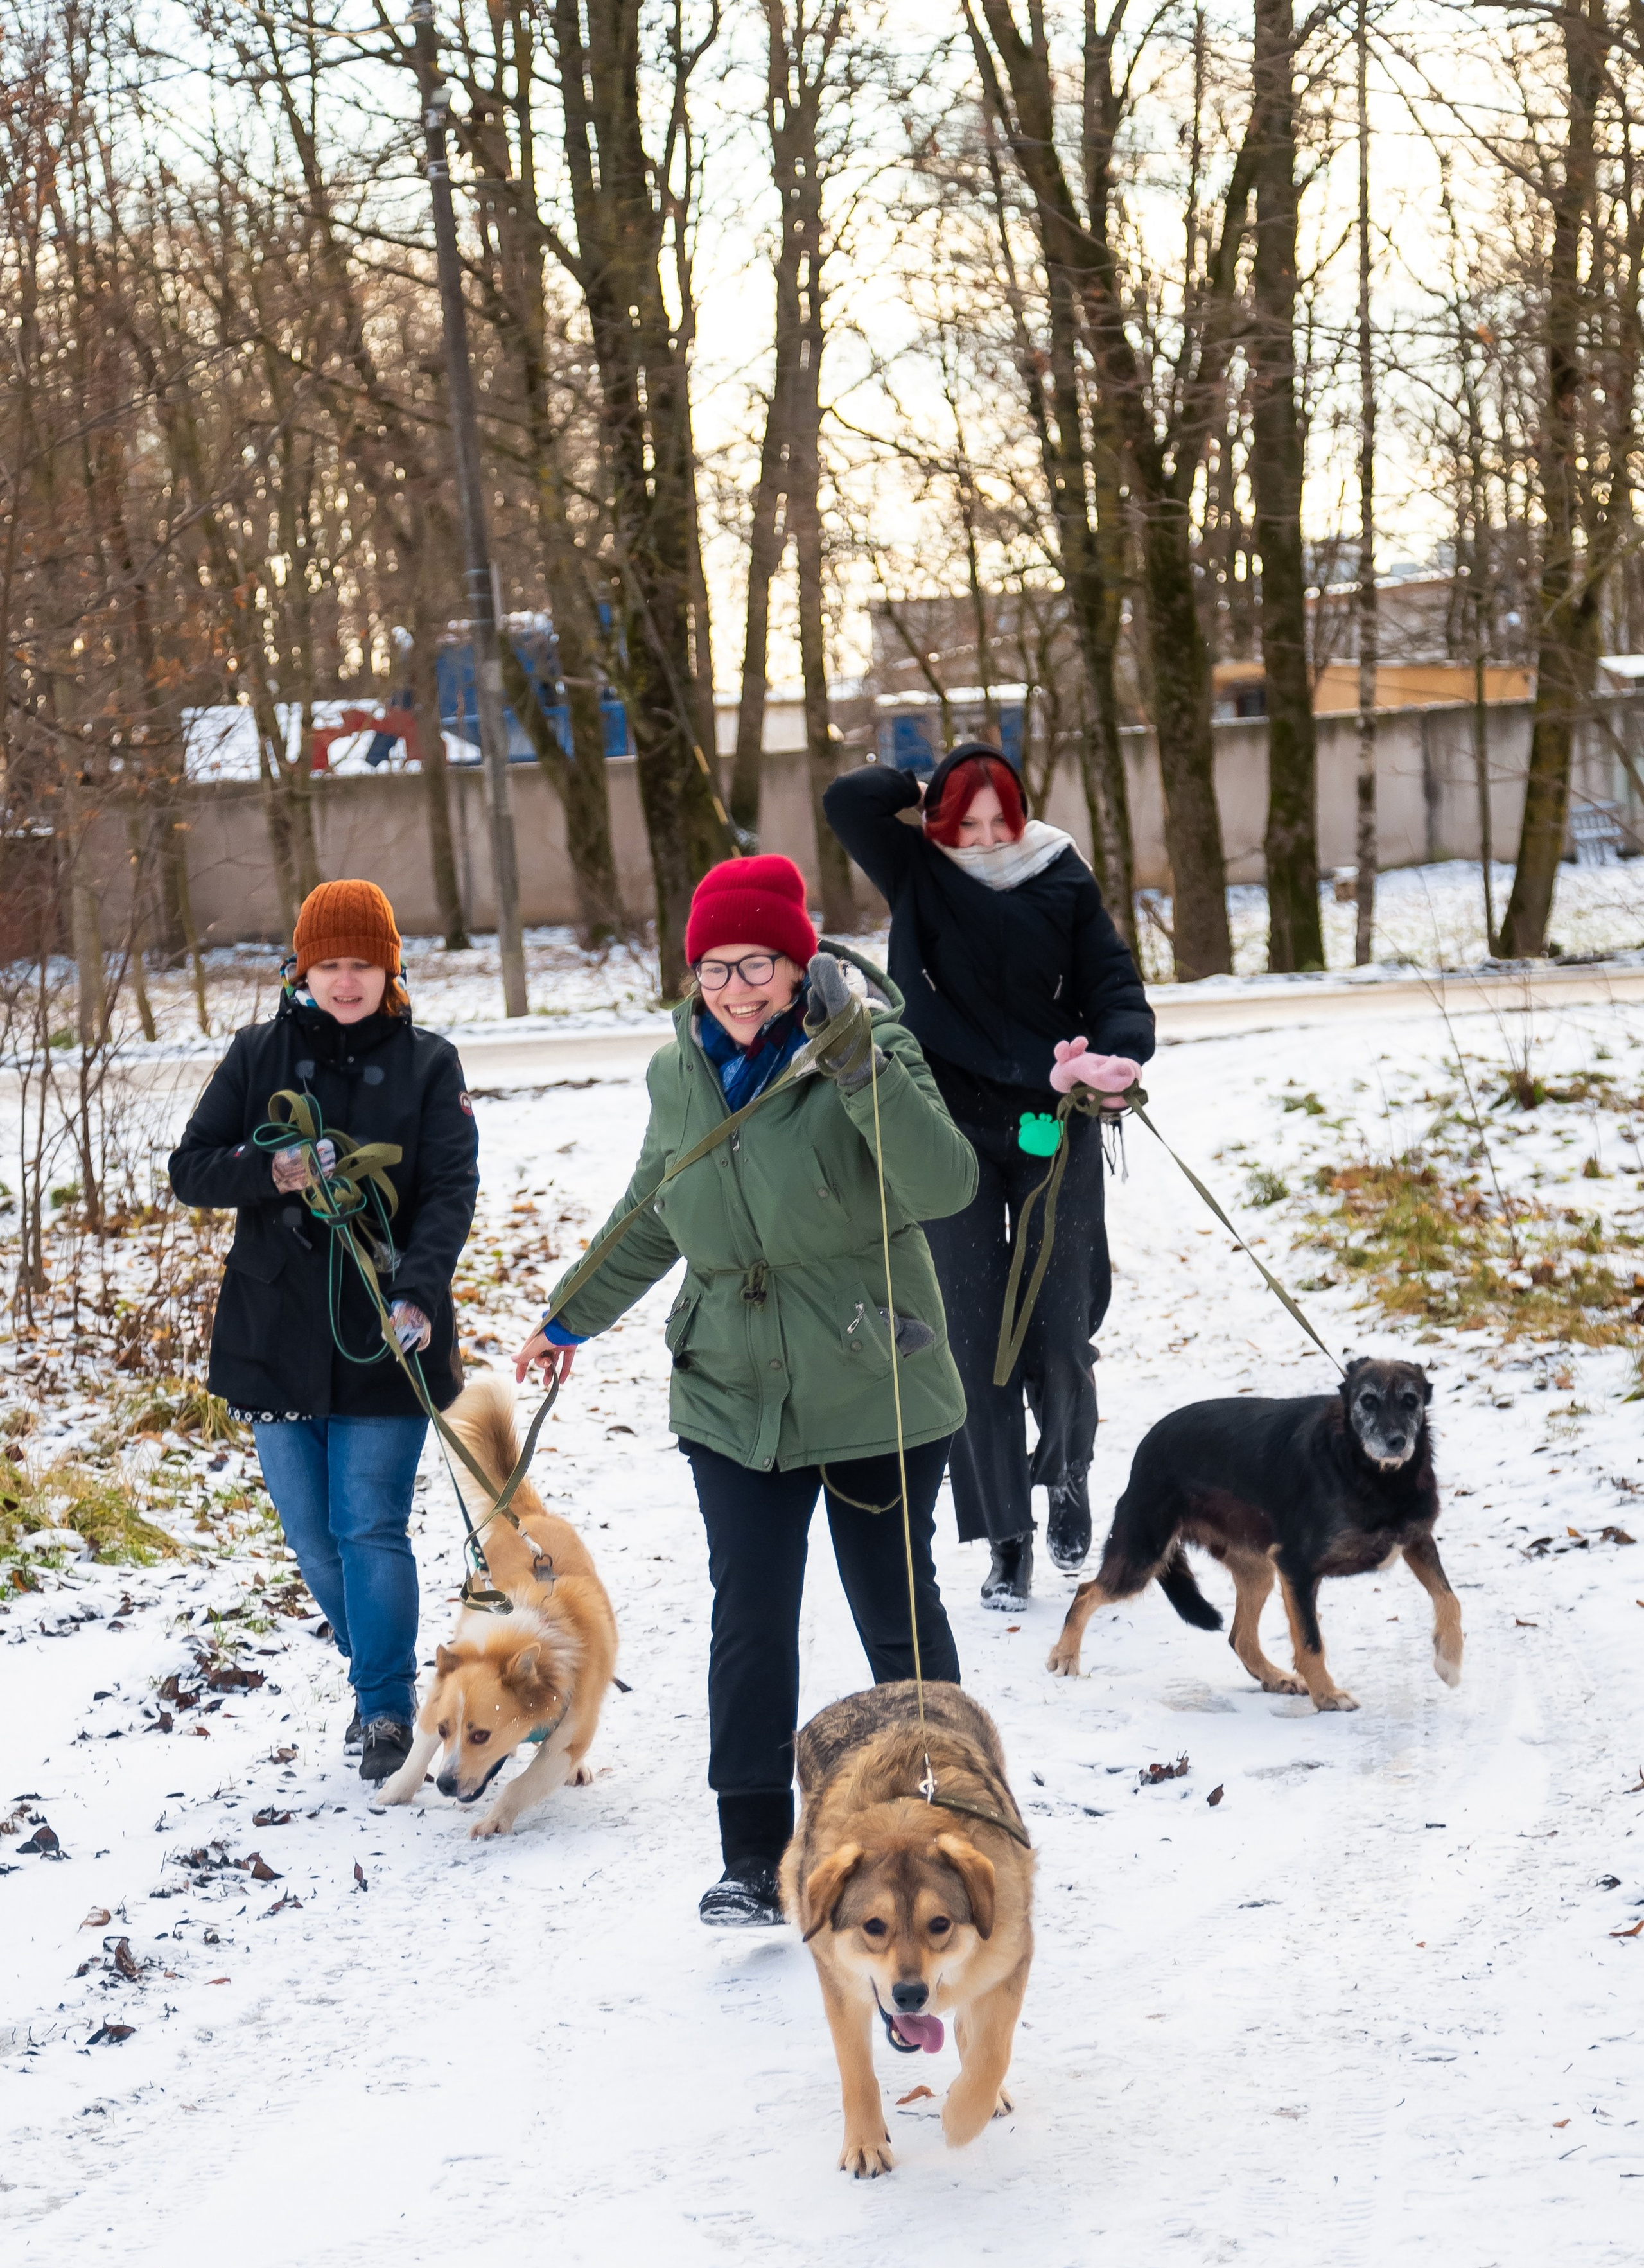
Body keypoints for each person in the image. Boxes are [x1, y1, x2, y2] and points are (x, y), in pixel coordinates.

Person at [514, 852, 978, 1927]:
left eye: (760, 963)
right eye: (715, 967)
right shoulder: (678, 1069)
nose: (735, 988)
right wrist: (571, 1311)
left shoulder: (869, 1044)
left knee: (895, 1613)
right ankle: (751, 1852)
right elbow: (653, 1206)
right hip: (732, 1388)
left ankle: (946, 1815)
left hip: (873, 1378)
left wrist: (859, 1061)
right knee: (751, 1621)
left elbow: (944, 1184)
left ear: (799, 961)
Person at [824, 744, 1155, 1612]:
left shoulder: (1059, 873)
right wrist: (920, 784)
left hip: (1054, 1118)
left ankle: (1069, 1475)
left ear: (1021, 812)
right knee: (970, 1337)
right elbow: (849, 802)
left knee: (1058, 1322)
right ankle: (1005, 1533)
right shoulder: (920, 869)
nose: (980, 837)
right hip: (944, 1125)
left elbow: (1115, 986)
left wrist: (1117, 1058)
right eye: (962, 821)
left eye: (994, 819)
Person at [168, 880, 479, 1784]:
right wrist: (276, 1169)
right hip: (274, 1339)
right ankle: (374, 1669)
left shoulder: (431, 1063)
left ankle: (385, 1709)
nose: (348, 982)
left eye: (365, 965)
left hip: (390, 1334)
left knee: (368, 1527)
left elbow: (449, 1194)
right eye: (330, 965)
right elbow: (192, 1168)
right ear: (301, 971)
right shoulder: (256, 1053)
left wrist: (419, 1294)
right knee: (313, 1540)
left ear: (392, 969)